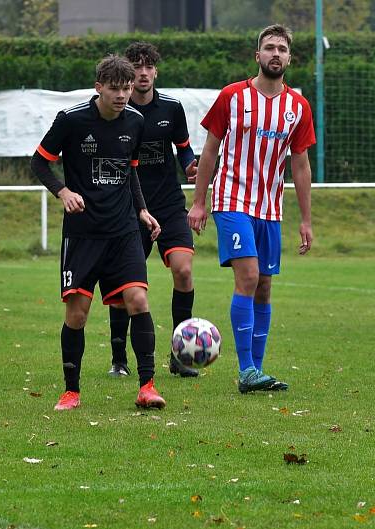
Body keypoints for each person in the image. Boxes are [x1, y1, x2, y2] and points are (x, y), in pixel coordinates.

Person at [30, 55, 167, 411]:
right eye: (115, 89)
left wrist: (142, 210)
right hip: (83, 234)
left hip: (123, 231)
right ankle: (71, 391)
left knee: (138, 300)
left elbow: (130, 170)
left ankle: (147, 386)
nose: (122, 95)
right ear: (99, 87)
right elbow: (38, 161)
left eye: (126, 88)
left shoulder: (135, 122)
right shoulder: (72, 120)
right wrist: (63, 191)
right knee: (77, 315)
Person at [187, 24, 315, 394]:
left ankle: (257, 370)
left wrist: (305, 220)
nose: (276, 54)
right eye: (269, 48)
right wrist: (199, 203)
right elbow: (209, 151)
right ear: (257, 55)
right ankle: (246, 371)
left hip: (270, 206)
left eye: (282, 49)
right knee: (248, 276)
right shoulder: (233, 96)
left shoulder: (297, 107)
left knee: (264, 287)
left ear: (290, 58)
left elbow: (301, 165)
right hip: (231, 199)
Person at [105, 41, 200, 379]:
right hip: (128, 209)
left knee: (184, 271)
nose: (143, 73)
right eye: (136, 66)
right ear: (127, 73)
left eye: (148, 67)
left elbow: (185, 150)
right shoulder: (115, 109)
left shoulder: (172, 109)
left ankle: (181, 355)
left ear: (155, 71)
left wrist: (191, 166)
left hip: (168, 204)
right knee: (124, 287)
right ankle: (119, 360)